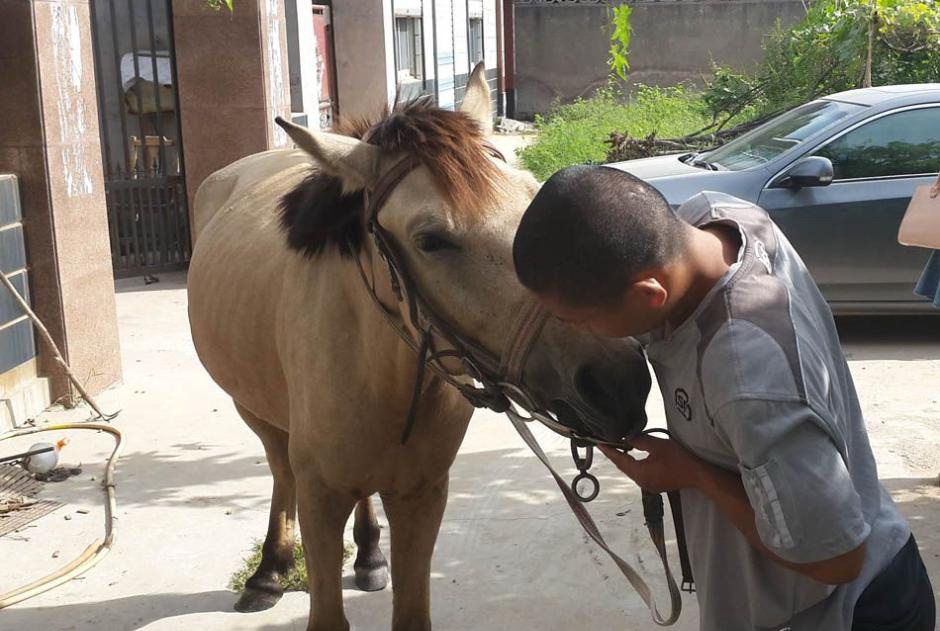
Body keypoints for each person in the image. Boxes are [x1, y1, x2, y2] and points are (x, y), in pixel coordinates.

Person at [512, 165, 935, 631]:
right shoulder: (718, 218)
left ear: (650, 294)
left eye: (581, 321)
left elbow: (837, 559)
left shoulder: (748, 380)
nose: (579, 332)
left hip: (846, 611)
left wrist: (692, 473)